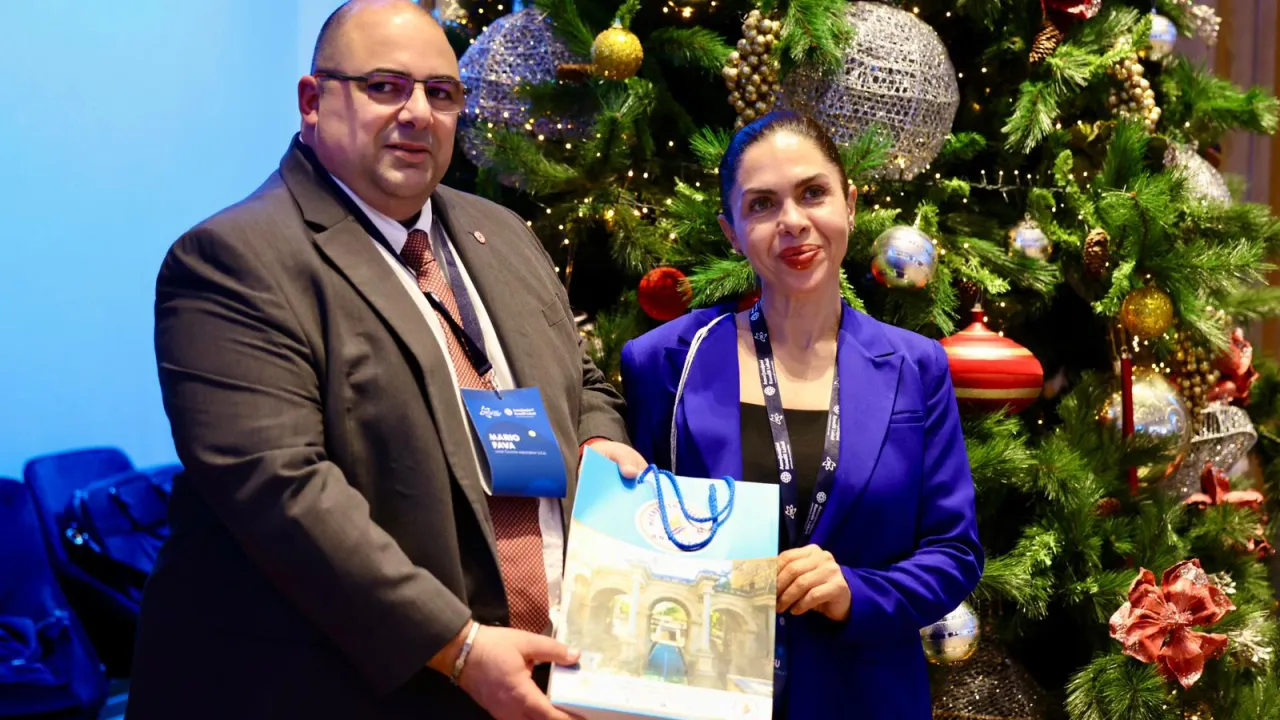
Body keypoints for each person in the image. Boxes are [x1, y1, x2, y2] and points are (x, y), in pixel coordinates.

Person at [127, 2, 645, 718]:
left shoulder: (503, 231)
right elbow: (282, 491)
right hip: (343, 690)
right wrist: (459, 646)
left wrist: (599, 437)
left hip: (540, 672)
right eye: (384, 86)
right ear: (313, 101)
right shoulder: (233, 260)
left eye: (441, 92)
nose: (418, 113)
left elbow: (578, 380)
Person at [619, 111, 983, 718]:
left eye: (813, 193)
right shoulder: (664, 363)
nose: (792, 221)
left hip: (866, 698)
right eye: (762, 204)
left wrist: (854, 591)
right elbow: (634, 537)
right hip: (706, 694)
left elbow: (954, 551)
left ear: (851, 204)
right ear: (732, 232)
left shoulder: (916, 367)